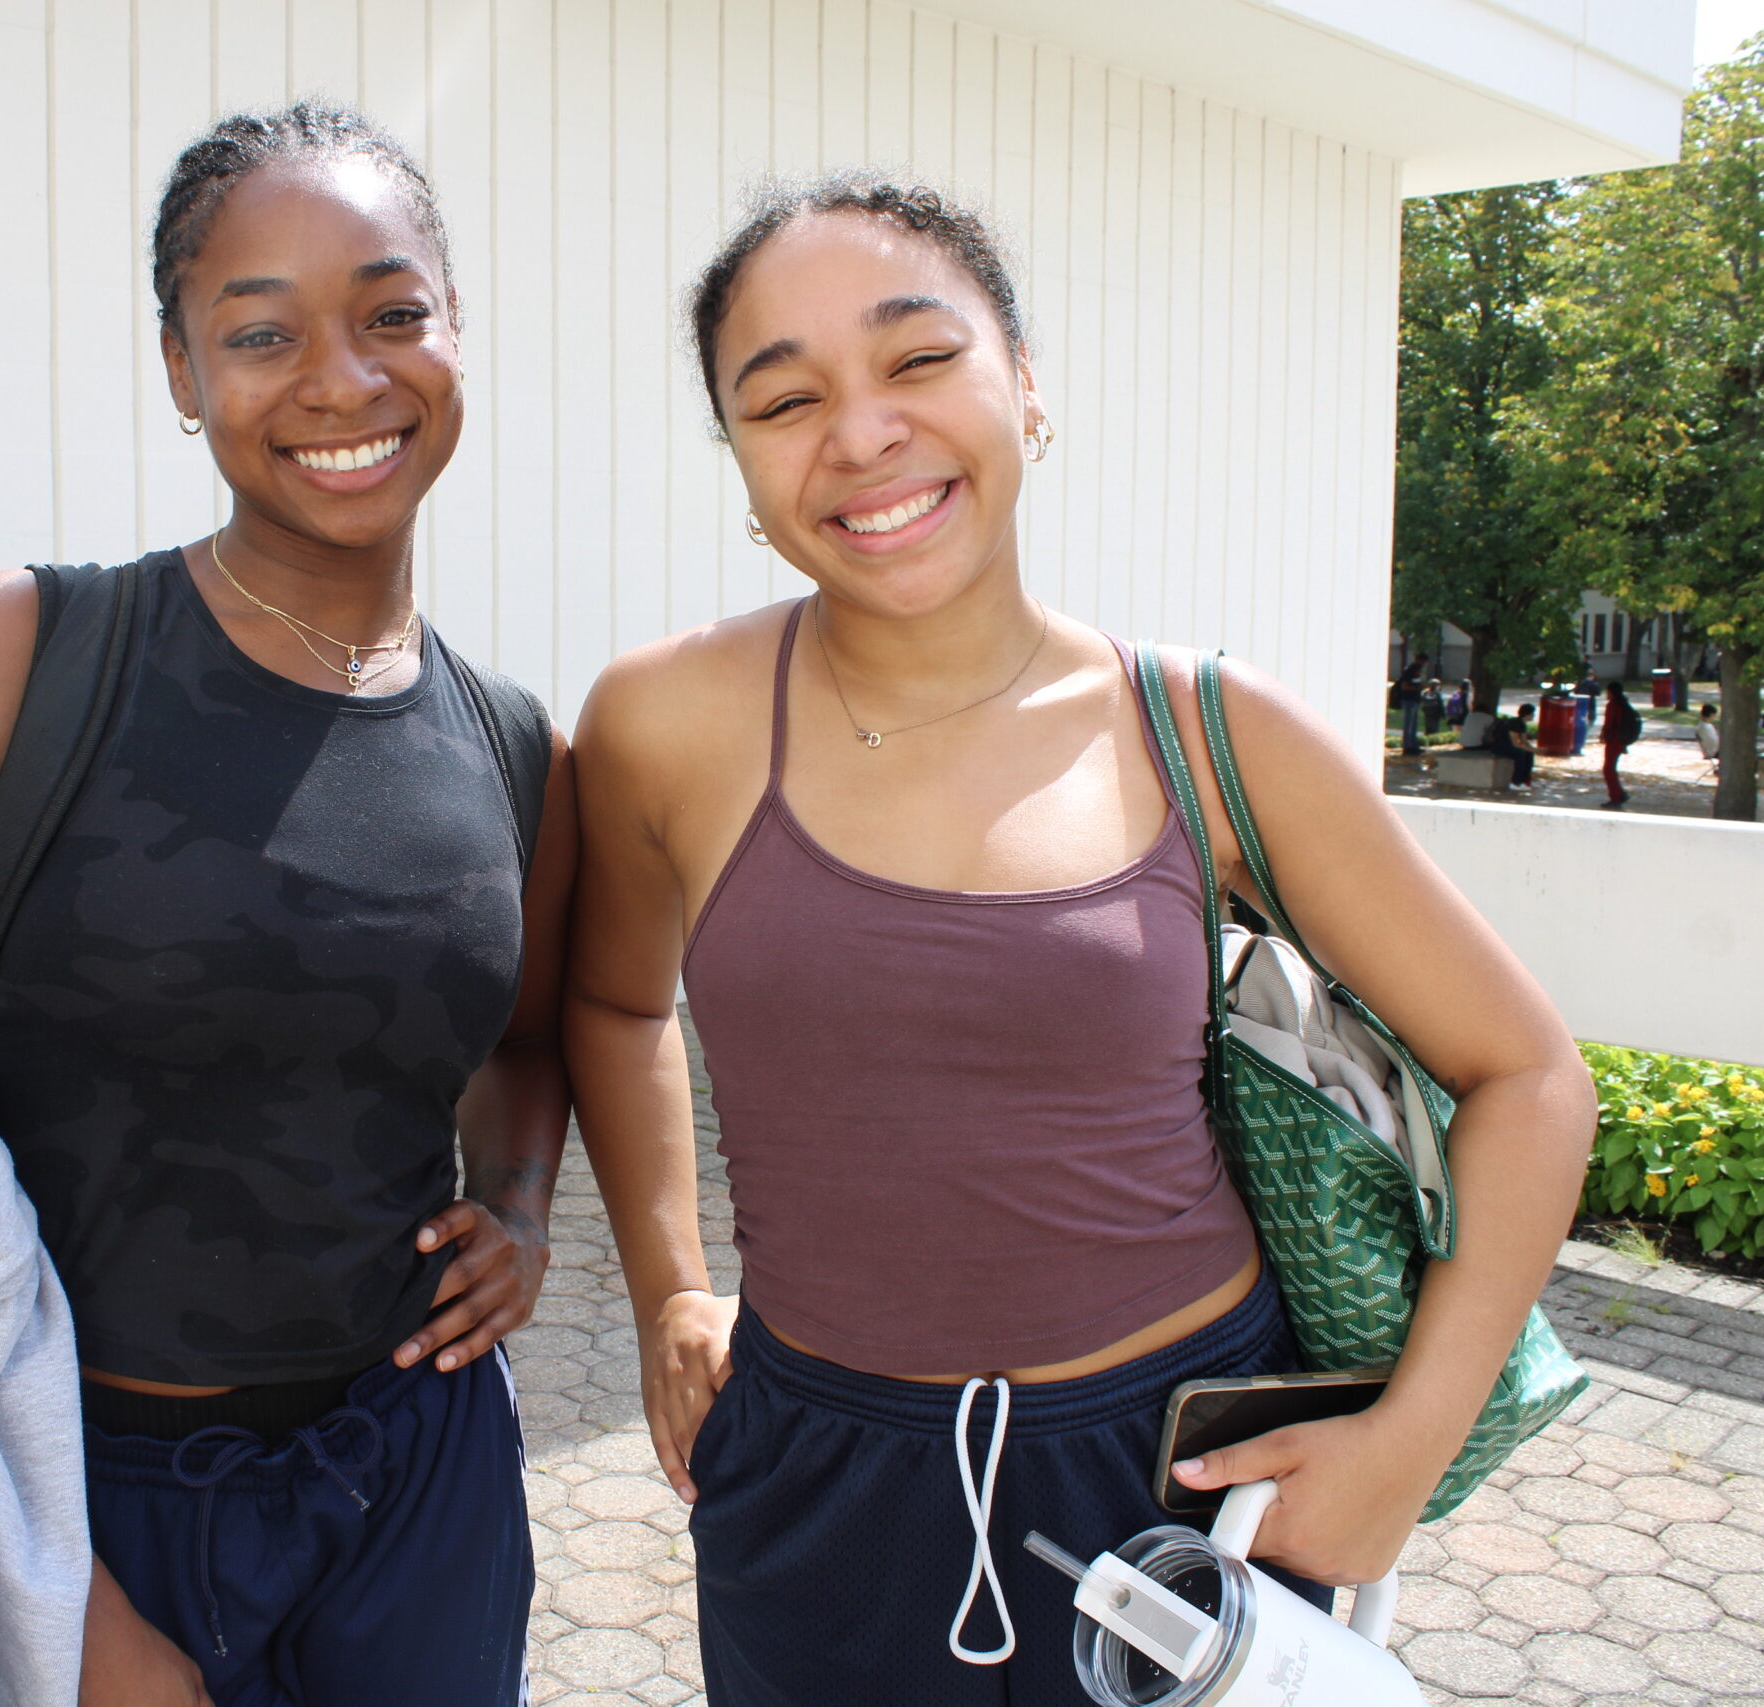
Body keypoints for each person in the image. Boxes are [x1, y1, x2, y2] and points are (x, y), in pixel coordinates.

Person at [563, 174, 1594, 1706]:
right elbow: (613, 998)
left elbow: (1527, 1075)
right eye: (784, 399)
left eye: (920, 360)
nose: (862, 434)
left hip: (1182, 1477)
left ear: (1026, 388)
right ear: (742, 462)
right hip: (811, 1472)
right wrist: (668, 1287)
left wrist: (1408, 1441)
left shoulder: (1210, 730)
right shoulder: (661, 723)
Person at [0, 101, 575, 1707]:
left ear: (456, 333)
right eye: (260, 333)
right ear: (182, 372)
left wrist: (524, 1207)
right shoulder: (19, 651)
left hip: (418, 1481)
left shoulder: (512, 739)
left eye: (393, 314)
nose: (342, 379)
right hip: (79, 1485)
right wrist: (66, 1606)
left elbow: (526, 1031)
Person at [1600, 681, 1641, 806]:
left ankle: (1616, 796)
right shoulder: (1623, 703)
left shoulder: (1612, 705)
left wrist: (1603, 736)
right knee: (1611, 768)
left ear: (1611, 692)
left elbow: (1609, 724)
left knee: (1608, 770)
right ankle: (1619, 793)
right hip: (1621, 740)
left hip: (1614, 740)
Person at [1484, 702, 1538, 787]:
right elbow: (1516, 743)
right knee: (1520, 754)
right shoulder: (1515, 723)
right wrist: (1534, 750)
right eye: (1532, 714)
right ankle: (1516, 782)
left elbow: (1524, 742)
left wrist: (1533, 750)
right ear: (1527, 714)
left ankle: (1526, 779)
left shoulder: (1521, 723)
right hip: (1499, 747)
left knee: (1529, 753)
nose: (1534, 716)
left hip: (1507, 746)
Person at [1393, 650, 1430, 755]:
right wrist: (1417, 687)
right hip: (1409, 700)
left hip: (1415, 699)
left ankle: (1413, 745)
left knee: (1414, 724)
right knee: (1409, 724)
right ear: (1419, 660)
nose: (1423, 664)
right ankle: (1407, 746)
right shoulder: (1410, 670)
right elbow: (1404, 686)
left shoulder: (1418, 671)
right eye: (1423, 662)